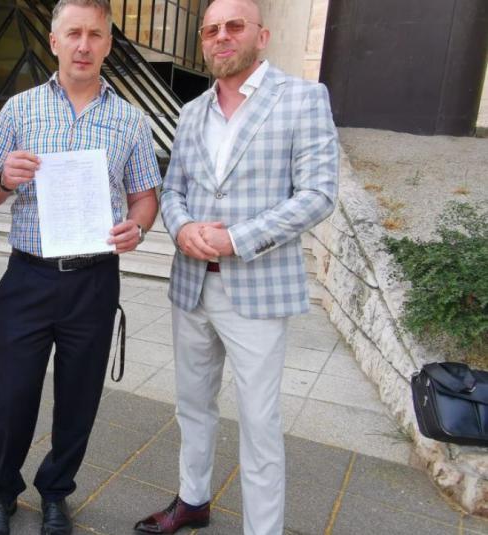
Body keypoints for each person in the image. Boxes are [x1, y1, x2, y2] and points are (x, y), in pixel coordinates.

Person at [133, 0, 339, 534]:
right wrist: (181, 228)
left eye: (234, 26)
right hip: (192, 287)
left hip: (257, 290)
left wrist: (234, 239)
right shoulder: (191, 111)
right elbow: (173, 190)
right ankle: (192, 500)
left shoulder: (303, 99)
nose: (221, 36)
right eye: (211, 30)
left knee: (260, 422)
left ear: (261, 36)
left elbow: (318, 195)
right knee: (192, 405)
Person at [0, 1, 162, 533]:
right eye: (73, 33)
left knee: (79, 398)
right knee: (13, 395)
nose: (83, 45)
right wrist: (3, 178)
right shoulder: (20, 110)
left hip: (93, 281)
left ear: (108, 44)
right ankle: (2, 491)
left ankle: (56, 492)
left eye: (95, 35)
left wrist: (138, 227)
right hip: (28, 276)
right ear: (54, 41)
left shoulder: (131, 120)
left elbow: (146, 197)